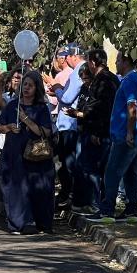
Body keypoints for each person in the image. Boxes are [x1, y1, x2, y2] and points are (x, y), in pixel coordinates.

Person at [0, 70, 54, 234]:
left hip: (36, 155)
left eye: (31, 85)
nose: (27, 88)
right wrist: (7, 127)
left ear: (37, 88)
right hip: (14, 153)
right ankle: (16, 223)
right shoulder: (13, 105)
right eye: (25, 85)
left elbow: (46, 132)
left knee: (39, 189)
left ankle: (42, 223)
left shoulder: (41, 108)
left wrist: (25, 119)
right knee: (14, 188)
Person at [90, 52, 137, 224]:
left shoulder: (130, 80)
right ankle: (132, 210)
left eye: (118, 60)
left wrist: (129, 132)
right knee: (131, 174)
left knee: (112, 173)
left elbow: (132, 106)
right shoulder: (135, 79)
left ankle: (107, 211)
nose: (115, 64)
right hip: (135, 135)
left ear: (125, 62)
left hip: (126, 135)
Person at [69, 49, 120, 214]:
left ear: (92, 63)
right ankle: (100, 205)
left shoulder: (103, 80)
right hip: (102, 130)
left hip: (100, 132)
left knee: (94, 170)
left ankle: (97, 205)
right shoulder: (110, 78)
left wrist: (97, 131)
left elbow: (102, 108)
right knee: (99, 170)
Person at [43, 44, 86, 208]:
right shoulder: (79, 70)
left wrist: (56, 88)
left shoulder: (77, 72)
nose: (65, 61)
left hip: (69, 123)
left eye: (67, 57)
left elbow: (67, 98)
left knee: (69, 163)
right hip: (70, 123)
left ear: (73, 57)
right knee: (69, 162)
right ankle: (72, 195)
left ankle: (73, 196)